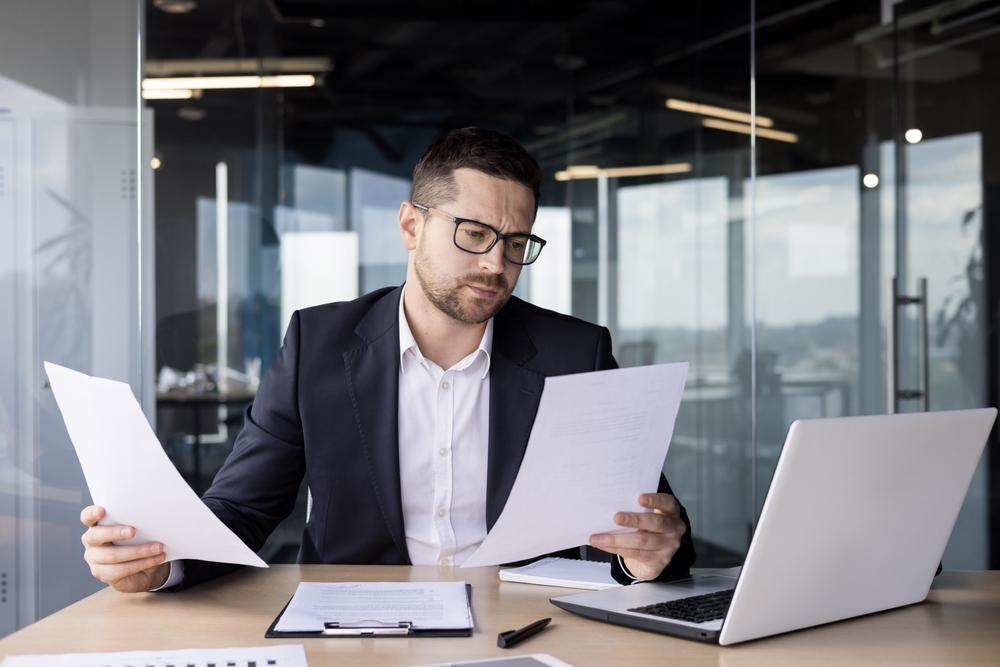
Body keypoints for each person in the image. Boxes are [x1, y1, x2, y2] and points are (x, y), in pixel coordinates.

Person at [80, 127, 696, 593]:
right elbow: (241, 510)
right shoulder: (317, 345)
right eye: (474, 233)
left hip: (524, 624)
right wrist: (160, 564)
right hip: (359, 625)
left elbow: (650, 524)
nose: (496, 264)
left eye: (515, 243)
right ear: (409, 224)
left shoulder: (575, 353)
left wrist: (646, 555)